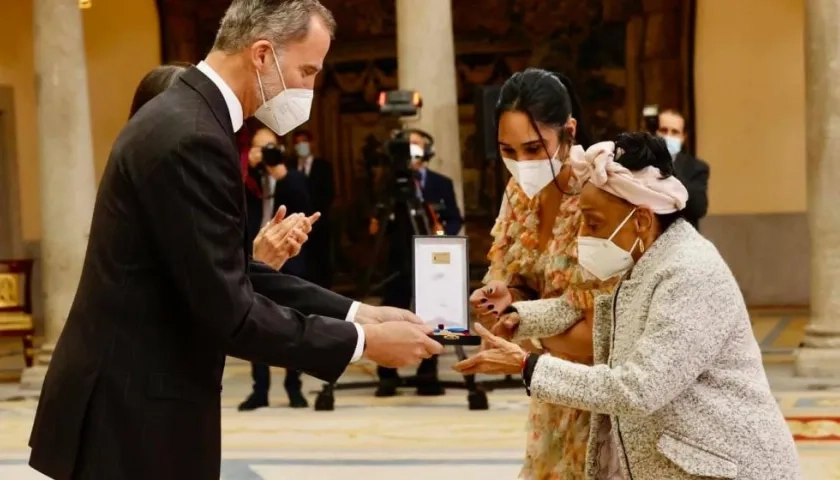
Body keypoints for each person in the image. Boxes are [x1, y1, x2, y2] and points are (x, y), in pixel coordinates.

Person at [27, 2, 443, 479]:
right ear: (262, 55)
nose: (310, 90)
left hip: (141, 400)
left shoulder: (191, 117)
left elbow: (225, 270)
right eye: (307, 72)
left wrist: (356, 312)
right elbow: (230, 310)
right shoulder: (193, 134)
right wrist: (364, 342)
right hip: (132, 413)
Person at [455, 133, 801, 480]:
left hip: (729, 469)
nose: (582, 238)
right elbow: (582, 307)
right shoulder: (642, 257)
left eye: (593, 223)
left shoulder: (690, 272)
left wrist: (530, 366)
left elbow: (638, 390)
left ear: (641, 220)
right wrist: (517, 315)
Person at [467, 68, 617, 479]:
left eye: (534, 148)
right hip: (548, 386)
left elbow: (601, 333)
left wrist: (521, 328)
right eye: (508, 150)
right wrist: (504, 295)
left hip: (604, 391)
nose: (522, 163)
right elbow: (518, 281)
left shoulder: (600, 196)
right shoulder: (518, 193)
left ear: (569, 131)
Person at [375, 129, 463, 397]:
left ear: (427, 152)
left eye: (416, 146)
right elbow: (377, 218)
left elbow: (455, 218)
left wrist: (441, 240)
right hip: (397, 259)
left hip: (431, 261)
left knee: (431, 317)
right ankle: (387, 375)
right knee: (392, 315)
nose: (410, 152)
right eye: (406, 146)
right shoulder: (388, 183)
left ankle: (428, 372)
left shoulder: (441, 182)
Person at [240, 126, 315, 410]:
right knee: (254, 323)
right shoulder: (246, 179)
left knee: (293, 323)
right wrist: (249, 167)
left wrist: (279, 172)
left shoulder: (291, 176)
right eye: (259, 148)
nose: (266, 153)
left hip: (290, 258)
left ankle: (293, 387)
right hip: (254, 258)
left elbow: (305, 205)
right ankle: (260, 389)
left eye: (270, 147)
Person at [292, 129, 336, 287]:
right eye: (297, 143)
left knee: (322, 261)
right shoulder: (290, 167)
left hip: (320, 223)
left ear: (311, 143)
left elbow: (328, 193)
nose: (300, 145)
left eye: (304, 141)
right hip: (296, 224)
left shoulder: (323, 166)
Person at [656, 108, 709, 229]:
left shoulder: (697, 168)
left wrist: (669, 167)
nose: (668, 136)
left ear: (683, 137)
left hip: (680, 240)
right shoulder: (643, 163)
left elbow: (698, 209)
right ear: (655, 132)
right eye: (663, 130)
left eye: (675, 132)